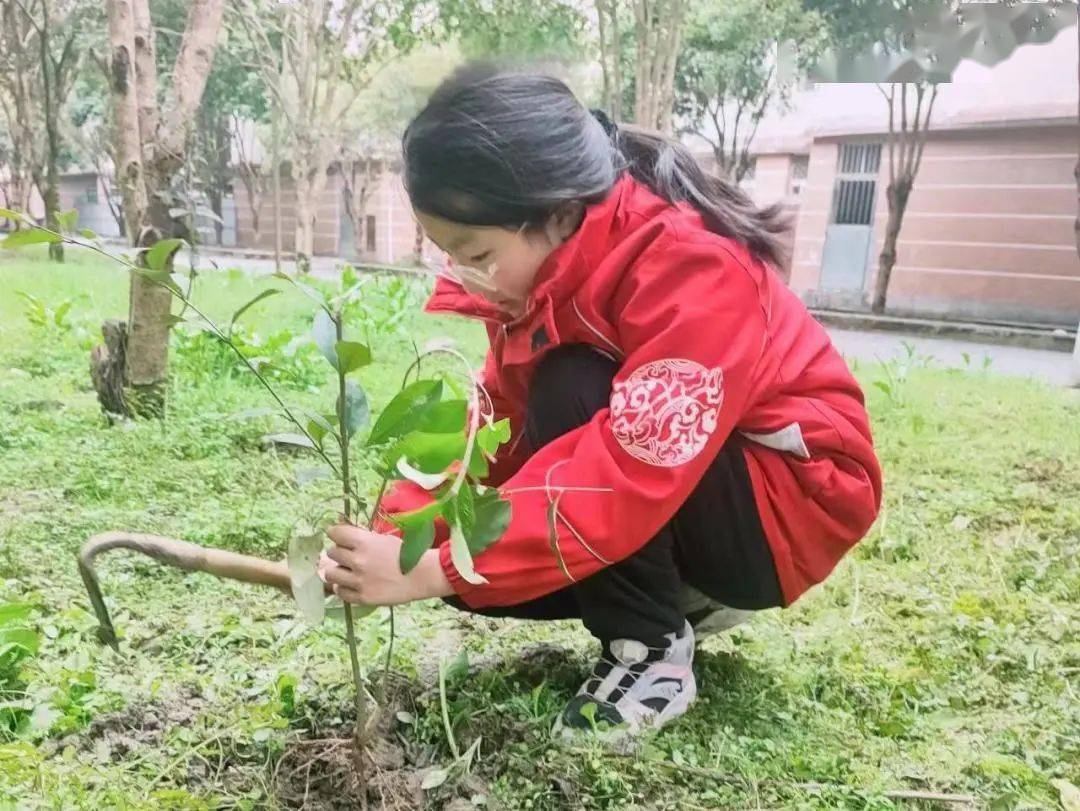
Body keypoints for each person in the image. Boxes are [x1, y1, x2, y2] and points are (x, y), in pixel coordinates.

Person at [319, 64, 882, 737]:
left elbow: (632, 461)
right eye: (450, 255)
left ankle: (653, 656)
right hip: (687, 491)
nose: (466, 275)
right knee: (486, 567)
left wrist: (438, 569)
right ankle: (673, 599)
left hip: (782, 507)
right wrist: (394, 543)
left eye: (477, 252)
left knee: (568, 385)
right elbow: (492, 432)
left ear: (556, 215)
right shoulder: (543, 280)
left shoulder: (692, 266)